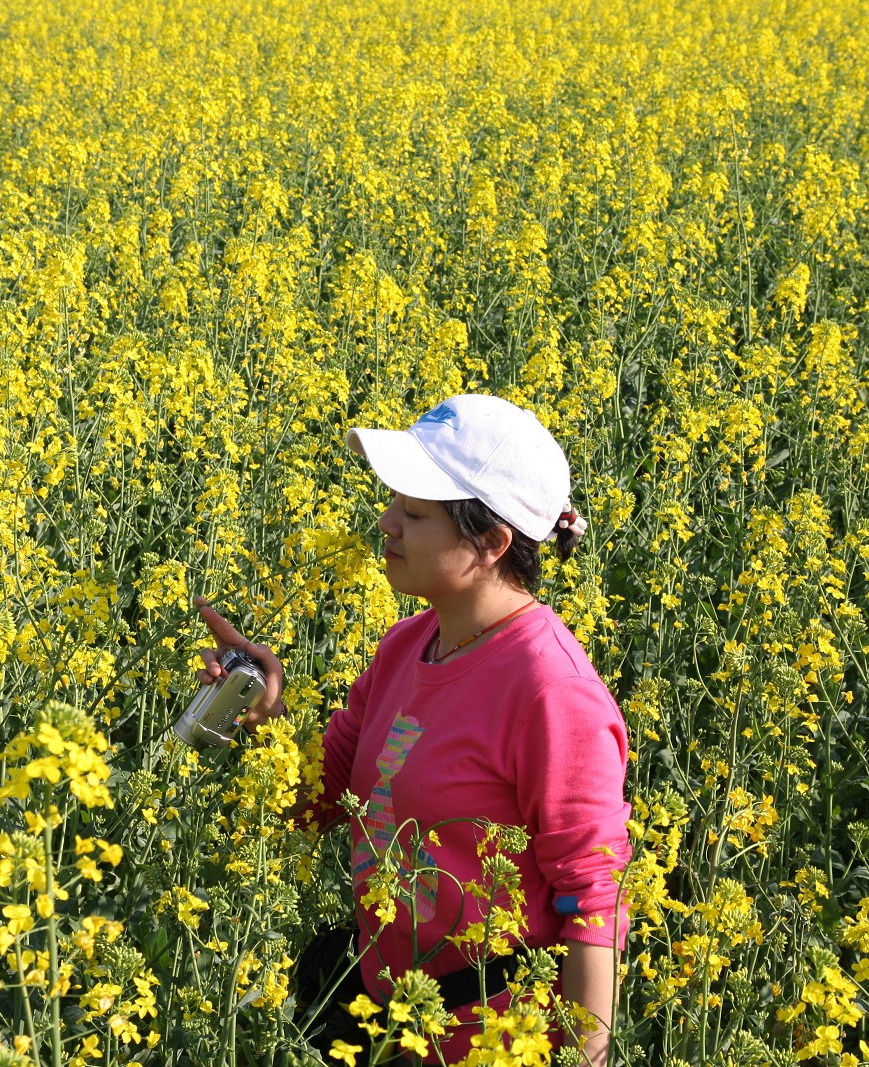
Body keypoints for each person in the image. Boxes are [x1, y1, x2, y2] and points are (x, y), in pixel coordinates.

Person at [195, 394, 630, 1065]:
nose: (386, 522)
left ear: (491, 543)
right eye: (395, 503)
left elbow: (593, 900)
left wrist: (586, 1057)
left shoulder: (552, 688)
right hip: (386, 1020)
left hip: (492, 1043)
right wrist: (263, 717)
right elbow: (323, 801)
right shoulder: (406, 644)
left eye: (415, 513)